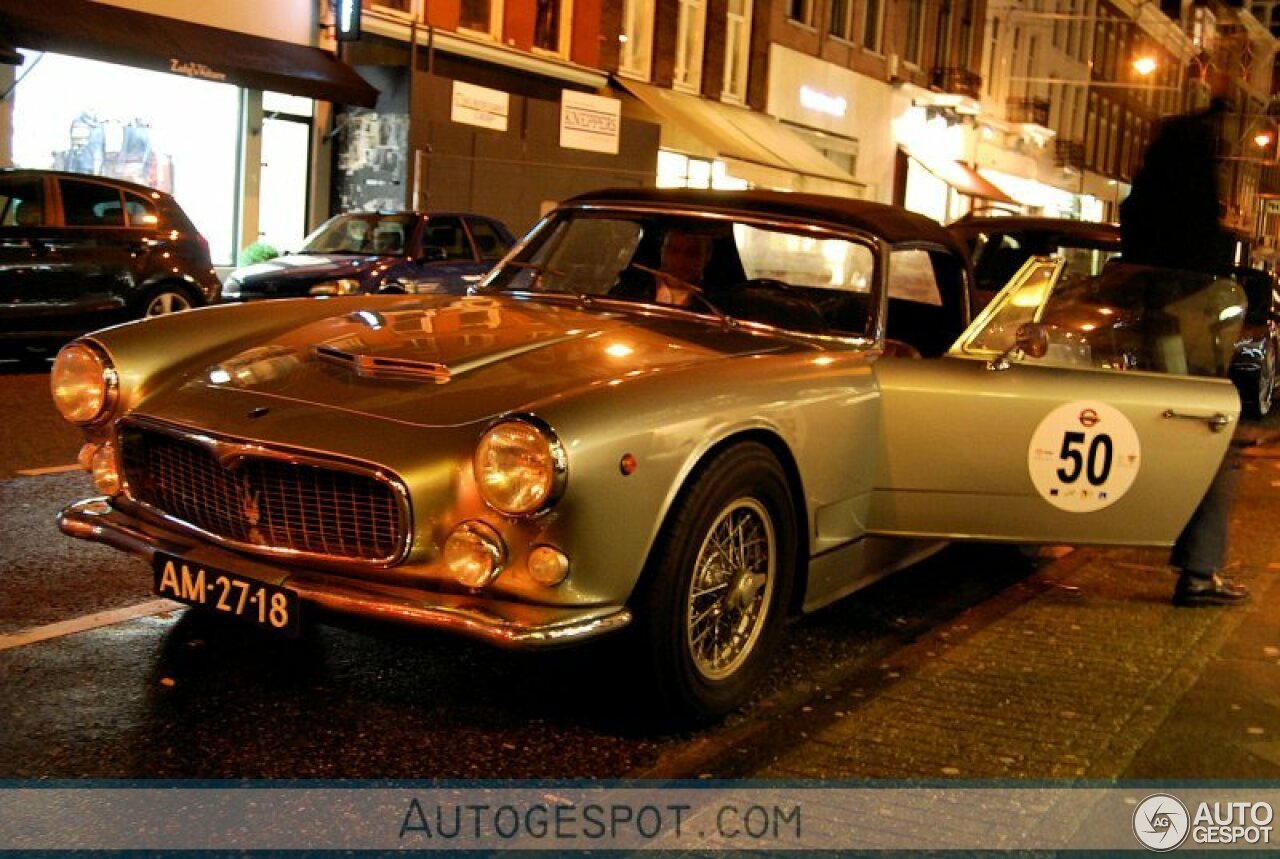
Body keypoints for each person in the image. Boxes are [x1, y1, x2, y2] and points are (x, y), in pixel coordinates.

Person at [1120, 97, 1250, 608]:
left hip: (1149, 328)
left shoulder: (1143, 202)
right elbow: (1200, 262)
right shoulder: (1190, 213)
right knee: (1216, 437)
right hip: (1183, 328)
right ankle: (1199, 571)